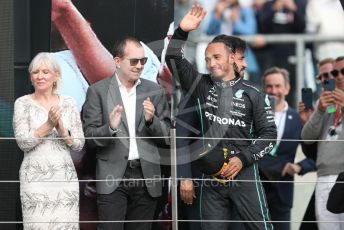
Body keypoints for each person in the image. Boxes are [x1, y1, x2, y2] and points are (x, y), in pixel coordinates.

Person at [167, 5, 277, 230]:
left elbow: (270, 135)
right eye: (207, 59)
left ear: (232, 58)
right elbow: (172, 59)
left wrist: (242, 159)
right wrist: (182, 32)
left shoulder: (254, 93)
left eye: (217, 57)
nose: (211, 63)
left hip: (244, 173)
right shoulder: (200, 85)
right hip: (211, 179)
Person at [82, 37, 170, 230]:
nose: (139, 66)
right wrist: (110, 128)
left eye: (143, 61)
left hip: (146, 175)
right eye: (134, 61)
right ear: (117, 61)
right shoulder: (97, 91)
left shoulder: (154, 91)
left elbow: (168, 139)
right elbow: (89, 138)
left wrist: (151, 121)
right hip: (112, 175)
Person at [13, 52, 85, 229]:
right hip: (35, 181)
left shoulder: (69, 102)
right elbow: (23, 142)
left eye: (45, 72)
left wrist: (61, 129)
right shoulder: (22, 103)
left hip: (64, 179)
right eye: (35, 72)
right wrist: (48, 125)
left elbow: (78, 143)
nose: (40, 76)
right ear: (31, 77)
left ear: (56, 76)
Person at [259, 67, 315, 230]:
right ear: (264, 89)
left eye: (278, 86)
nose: (274, 90)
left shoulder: (299, 119)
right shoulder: (254, 116)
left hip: (282, 194)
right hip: (255, 191)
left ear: (287, 88)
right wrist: (280, 166)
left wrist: (299, 166)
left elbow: (318, 155)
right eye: (269, 86)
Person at [301, 56, 344, 230]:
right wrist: (318, 111)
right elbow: (307, 138)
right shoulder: (324, 102)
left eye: (343, 72)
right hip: (324, 177)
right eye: (335, 72)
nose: (339, 76)